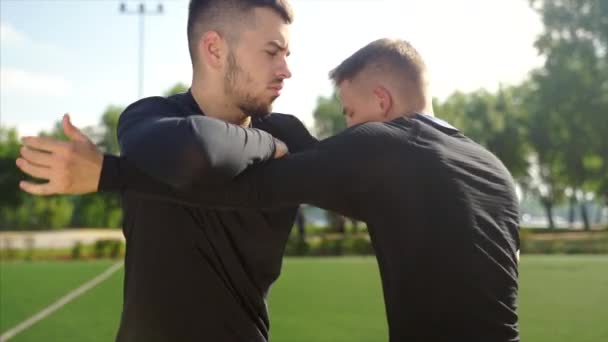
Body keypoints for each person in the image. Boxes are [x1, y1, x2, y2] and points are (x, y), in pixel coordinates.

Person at [18, 38, 521, 341]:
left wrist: (109, 172)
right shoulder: (495, 170)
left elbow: (254, 190)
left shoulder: (384, 145)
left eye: (350, 113)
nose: (347, 128)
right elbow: (328, 168)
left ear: (382, 100)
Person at [17, 0, 317, 341]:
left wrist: (110, 173)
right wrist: (268, 145)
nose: (285, 70)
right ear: (215, 50)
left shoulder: (291, 135)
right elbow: (197, 154)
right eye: (272, 52)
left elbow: (359, 179)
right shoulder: (150, 120)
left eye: (286, 55)